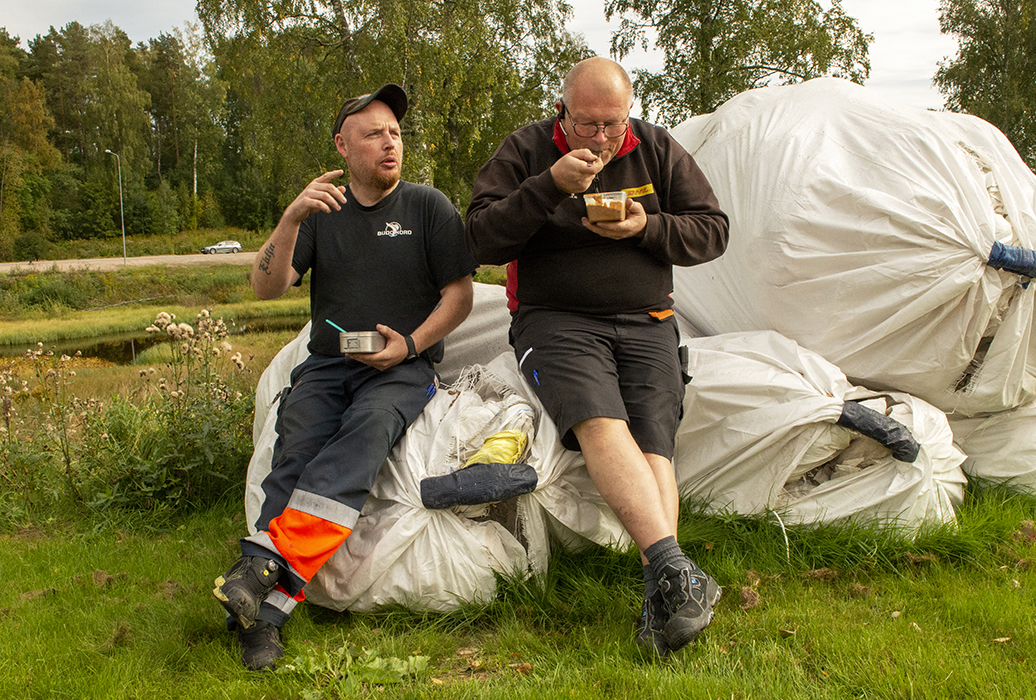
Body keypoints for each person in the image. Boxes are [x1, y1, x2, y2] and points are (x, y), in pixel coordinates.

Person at [465, 57, 729, 656]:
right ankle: (676, 573)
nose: (604, 139)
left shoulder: (657, 149)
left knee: (654, 439)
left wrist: (647, 226)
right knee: (598, 418)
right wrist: (550, 185)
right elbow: (479, 237)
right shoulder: (527, 150)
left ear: (629, 113)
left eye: (614, 125)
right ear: (563, 110)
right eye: (588, 125)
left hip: (649, 320)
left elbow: (713, 231)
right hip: (554, 319)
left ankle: (662, 591)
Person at [212, 84, 476, 671]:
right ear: (342, 145)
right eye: (374, 134)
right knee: (296, 449)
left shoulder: (428, 207)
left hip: (402, 369)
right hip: (328, 366)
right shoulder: (321, 214)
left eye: (396, 133)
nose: (391, 143)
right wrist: (289, 218)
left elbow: (459, 296)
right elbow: (266, 286)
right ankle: (261, 602)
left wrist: (409, 344)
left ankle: (261, 590)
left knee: (367, 431)